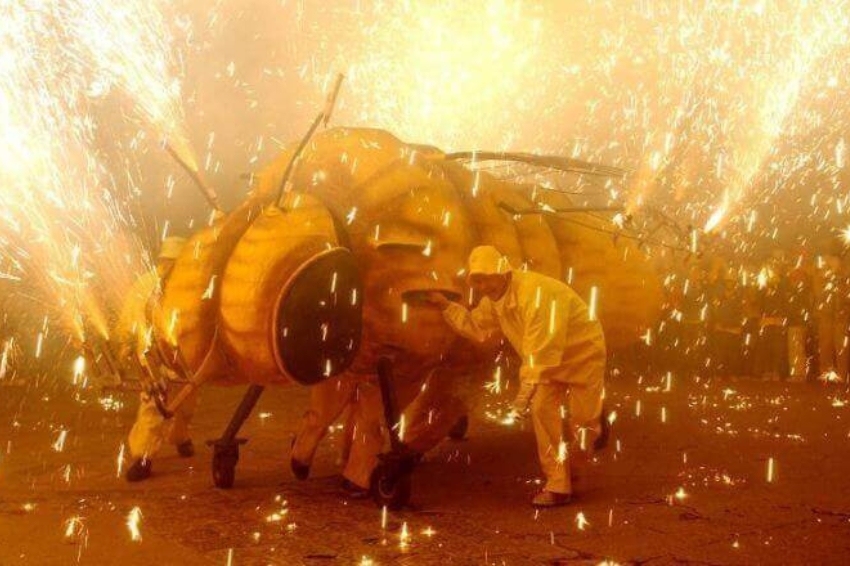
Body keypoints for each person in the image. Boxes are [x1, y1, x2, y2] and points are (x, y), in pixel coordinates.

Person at [426, 245, 607, 508]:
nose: (485, 286)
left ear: (504, 273)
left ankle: (576, 471)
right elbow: (478, 327)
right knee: (543, 411)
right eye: (479, 281)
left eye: (488, 278)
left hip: (582, 354)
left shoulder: (536, 294)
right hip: (543, 361)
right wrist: (446, 307)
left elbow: (542, 349)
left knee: (584, 422)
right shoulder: (495, 299)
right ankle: (558, 485)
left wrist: (520, 401)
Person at [117, 236, 200, 482]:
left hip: (182, 358)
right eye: (167, 262)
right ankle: (142, 457)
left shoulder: (189, 284)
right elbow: (127, 319)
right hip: (153, 358)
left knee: (185, 405)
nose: (170, 266)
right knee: (153, 406)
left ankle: (180, 438)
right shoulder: (145, 285)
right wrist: (125, 347)